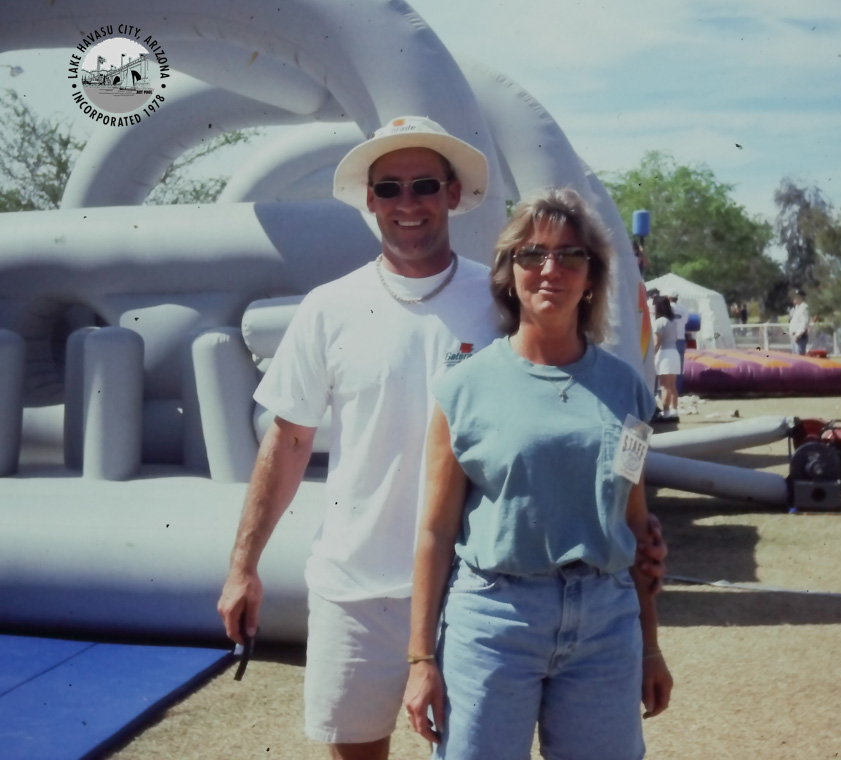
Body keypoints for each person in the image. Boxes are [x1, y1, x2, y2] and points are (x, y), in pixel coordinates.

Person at [216, 117, 667, 760]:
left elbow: (569, 416)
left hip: (478, 591)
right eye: (389, 188)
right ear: (369, 199)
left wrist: (630, 529)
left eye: (425, 184)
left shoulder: (504, 299)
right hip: (357, 585)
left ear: (453, 193)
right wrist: (243, 566)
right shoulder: (328, 308)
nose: (408, 203)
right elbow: (287, 443)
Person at [403, 188, 672, 759]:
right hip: (494, 623)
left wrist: (650, 646)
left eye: (570, 255)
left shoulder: (626, 391)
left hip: (606, 626)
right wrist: (421, 659)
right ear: (510, 272)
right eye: (532, 254)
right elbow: (434, 532)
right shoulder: (463, 389)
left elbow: (634, 523)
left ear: (592, 276)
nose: (551, 269)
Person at [653, 295, 682, 419]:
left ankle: (665, 412)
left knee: (664, 386)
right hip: (674, 353)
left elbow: (657, 343)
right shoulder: (672, 322)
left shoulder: (659, 322)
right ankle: (674, 411)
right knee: (672, 385)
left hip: (664, 354)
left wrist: (651, 355)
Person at [789, 289, 810, 355]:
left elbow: (804, 323)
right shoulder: (797, 308)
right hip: (794, 336)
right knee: (794, 357)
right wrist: (791, 334)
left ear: (800, 297)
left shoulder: (804, 308)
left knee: (799, 357)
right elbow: (794, 322)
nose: (793, 299)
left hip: (800, 337)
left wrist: (798, 335)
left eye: (795, 297)